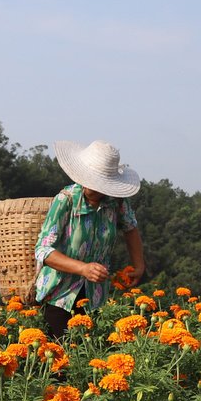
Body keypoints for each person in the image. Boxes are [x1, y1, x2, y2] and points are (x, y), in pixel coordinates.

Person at [33, 140, 145, 337]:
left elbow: (131, 228)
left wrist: (139, 266)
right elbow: (43, 250)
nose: (95, 188)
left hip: (96, 296)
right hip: (60, 295)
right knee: (62, 360)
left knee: (91, 355)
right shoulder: (66, 200)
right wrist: (83, 268)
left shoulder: (116, 202)